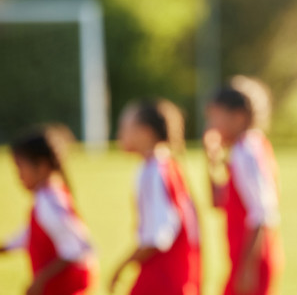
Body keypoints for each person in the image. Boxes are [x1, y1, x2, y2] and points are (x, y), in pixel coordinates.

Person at [109, 98, 201, 295]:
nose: (119, 134)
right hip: (176, 274)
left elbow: (158, 236)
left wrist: (122, 266)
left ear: (145, 132)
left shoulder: (155, 172)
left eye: (124, 127)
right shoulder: (166, 166)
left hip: (164, 276)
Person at [203, 76, 282, 295]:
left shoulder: (246, 151)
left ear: (238, 118)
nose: (211, 126)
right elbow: (218, 202)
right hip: (242, 258)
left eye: (215, 117)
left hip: (253, 260)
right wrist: (211, 163)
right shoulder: (242, 149)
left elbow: (262, 212)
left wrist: (248, 268)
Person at [1, 125, 97, 295]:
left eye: (20, 168)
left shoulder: (50, 201)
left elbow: (75, 248)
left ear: (43, 166)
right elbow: (32, 234)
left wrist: (39, 281)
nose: (18, 176)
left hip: (66, 286)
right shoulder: (47, 195)